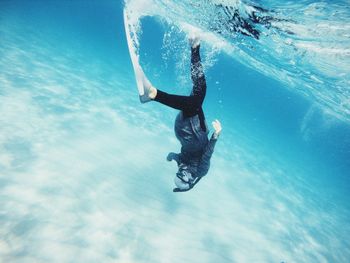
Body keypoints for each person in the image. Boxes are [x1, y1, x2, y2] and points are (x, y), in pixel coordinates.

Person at [138, 36, 222, 192]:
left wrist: (216, 135)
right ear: (191, 182)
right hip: (182, 128)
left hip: (193, 132)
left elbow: (207, 154)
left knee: (197, 96)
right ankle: (195, 47)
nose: (185, 173)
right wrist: (171, 157)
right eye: (184, 177)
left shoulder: (200, 171)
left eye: (180, 174)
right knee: (199, 88)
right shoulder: (190, 168)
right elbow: (178, 156)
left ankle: (153, 95)